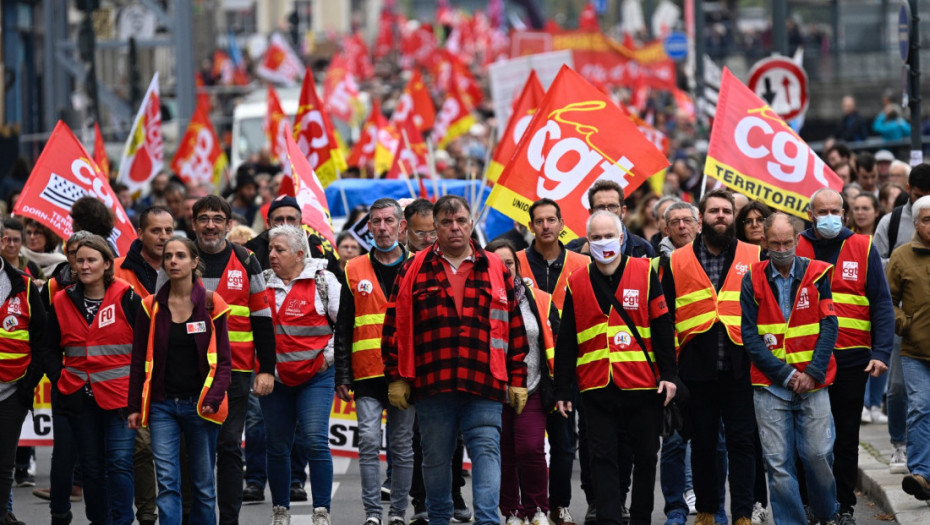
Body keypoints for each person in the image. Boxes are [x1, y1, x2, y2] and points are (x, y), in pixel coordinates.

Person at [382, 195, 529, 525]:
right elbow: (394, 324)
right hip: (434, 384)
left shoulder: (495, 268)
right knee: (435, 460)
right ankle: (439, 519)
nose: (454, 228)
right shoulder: (413, 268)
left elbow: (513, 324)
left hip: (485, 382)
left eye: (461, 221)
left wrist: (517, 377)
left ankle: (488, 521)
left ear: (471, 222)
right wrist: (396, 375)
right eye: (446, 223)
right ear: (435, 227)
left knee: (487, 453)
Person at [554, 210, 678, 525]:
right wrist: (563, 389)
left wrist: (669, 375)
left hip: (642, 384)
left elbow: (663, 327)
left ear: (622, 238)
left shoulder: (645, 271)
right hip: (596, 386)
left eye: (609, 236)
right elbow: (567, 338)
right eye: (595, 237)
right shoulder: (576, 281)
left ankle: (640, 518)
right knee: (602, 458)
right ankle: (609, 519)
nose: (603, 242)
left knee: (646, 457)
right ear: (587, 242)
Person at [663, 189, 760, 525]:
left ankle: (743, 513)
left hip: (741, 367)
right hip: (695, 367)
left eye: (727, 211)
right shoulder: (675, 260)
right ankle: (705, 509)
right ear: (701, 218)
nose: (721, 216)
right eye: (714, 211)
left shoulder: (754, 254)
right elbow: (666, 317)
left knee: (742, 444)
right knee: (703, 443)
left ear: (733, 218)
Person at [740, 212, 840, 525]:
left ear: (797, 240)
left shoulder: (818, 274)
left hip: (814, 383)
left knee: (818, 455)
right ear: (763, 242)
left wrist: (812, 372)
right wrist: (785, 374)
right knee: (778, 464)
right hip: (771, 386)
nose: (782, 249)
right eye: (775, 243)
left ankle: (826, 514)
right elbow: (750, 337)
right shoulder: (752, 278)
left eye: (788, 242)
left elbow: (829, 326)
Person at [127, 236, 232, 525]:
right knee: (168, 482)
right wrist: (134, 406)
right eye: (169, 256)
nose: (173, 261)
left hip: (201, 406)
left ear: (194, 262)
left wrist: (213, 399)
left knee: (202, 485)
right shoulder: (150, 306)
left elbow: (224, 362)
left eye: (180, 256)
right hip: (162, 407)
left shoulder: (212, 303)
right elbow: (139, 362)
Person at [41, 234, 141, 525]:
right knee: (93, 468)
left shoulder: (127, 296)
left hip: (120, 399)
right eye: (80, 260)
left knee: (120, 465)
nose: (84, 266)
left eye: (92, 260)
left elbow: (145, 348)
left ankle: (122, 521)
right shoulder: (61, 300)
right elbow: (48, 347)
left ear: (107, 263)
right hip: (78, 398)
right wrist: (59, 375)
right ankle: (100, 521)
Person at [191, 195, 276, 525]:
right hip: (188, 374)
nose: (210, 225)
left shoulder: (247, 260)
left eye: (217, 218)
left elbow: (262, 318)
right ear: (194, 223)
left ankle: (228, 521)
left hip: (235, 374)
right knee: (193, 454)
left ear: (229, 224)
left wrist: (266, 369)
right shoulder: (179, 259)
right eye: (203, 218)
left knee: (228, 448)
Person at [335, 198, 415, 525]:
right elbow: (343, 326)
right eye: (376, 222)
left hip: (407, 373)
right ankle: (372, 514)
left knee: (402, 446)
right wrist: (342, 373)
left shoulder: (417, 266)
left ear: (401, 226)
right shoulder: (353, 269)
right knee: (368, 441)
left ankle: (397, 513)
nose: (382, 228)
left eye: (388, 221)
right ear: (368, 227)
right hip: (366, 372)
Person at [513, 198, 587, 525]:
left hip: (567, 368)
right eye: (539, 221)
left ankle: (558, 505)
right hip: (523, 367)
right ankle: (523, 506)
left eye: (551, 220)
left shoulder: (581, 264)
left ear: (561, 224)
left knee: (563, 442)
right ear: (531, 226)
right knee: (522, 445)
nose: (545, 226)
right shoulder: (514, 261)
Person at [262, 225, 340, 525]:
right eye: (270, 249)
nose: (272, 255)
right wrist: (263, 368)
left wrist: (327, 358)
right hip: (276, 380)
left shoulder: (323, 280)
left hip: (315, 376)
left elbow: (344, 324)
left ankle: (321, 511)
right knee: (277, 445)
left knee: (315, 440)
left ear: (298, 254)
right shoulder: (262, 283)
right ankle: (280, 510)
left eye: (279, 250)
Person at [486, 239, 558, 525]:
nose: (506, 268)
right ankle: (512, 511)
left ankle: (538, 508)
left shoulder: (539, 298)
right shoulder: (480, 297)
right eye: (498, 262)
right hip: (493, 389)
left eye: (510, 263)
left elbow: (553, 341)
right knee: (504, 451)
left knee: (531, 448)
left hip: (533, 386)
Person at [113, 205, 174, 525]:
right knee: (141, 448)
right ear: (140, 233)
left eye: (168, 230)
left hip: (177, 373)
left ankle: (177, 513)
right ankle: (148, 514)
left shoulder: (183, 262)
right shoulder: (118, 269)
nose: (163, 237)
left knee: (175, 453)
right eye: (156, 230)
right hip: (133, 372)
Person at [873, 163, 930, 474]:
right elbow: (876, 261)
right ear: (909, 190)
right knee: (897, 388)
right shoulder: (892, 222)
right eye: (921, 196)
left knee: (923, 402)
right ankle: (899, 444)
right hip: (904, 323)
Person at [0, 219, 46, 525]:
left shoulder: (24, 283)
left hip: (10, 393)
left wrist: (26, 387)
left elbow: (43, 343)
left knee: (3, 466)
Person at [886, 195, 930, 501]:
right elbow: (886, 302)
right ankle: (921, 474)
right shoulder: (901, 257)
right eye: (927, 219)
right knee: (920, 407)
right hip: (915, 351)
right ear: (915, 224)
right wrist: (906, 322)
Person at [244, 195, 341, 277]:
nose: (285, 224)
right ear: (268, 223)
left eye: (291, 219)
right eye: (279, 219)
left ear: (300, 221)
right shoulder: (252, 249)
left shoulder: (318, 248)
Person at [566, 180, 656, 259]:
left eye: (612, 206)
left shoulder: (644, 248)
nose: (606, 211)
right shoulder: (572, 251)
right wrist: (583, 256)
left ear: (623, 211)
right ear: (591, 213)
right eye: (600, 207)